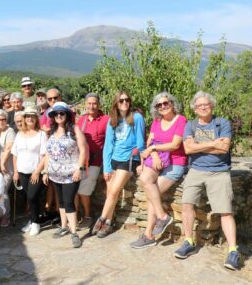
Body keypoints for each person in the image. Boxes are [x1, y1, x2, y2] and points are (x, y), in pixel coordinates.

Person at [174, 91, 239, 270]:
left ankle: (233, 250)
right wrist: (213, 144)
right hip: (196, 170)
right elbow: (187, 149)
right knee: (187, 204)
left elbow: (224, 149)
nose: (203, 107)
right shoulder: (191, 125)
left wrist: (198, 146)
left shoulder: (222, 123)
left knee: (225, 211)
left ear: (212, 106)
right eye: (199, 105)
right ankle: (188, 241)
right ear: (194, 109)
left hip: (219, 172)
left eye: (206, 104)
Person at [130, 92, 187, 248]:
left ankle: (149, 235)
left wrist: (154, 148)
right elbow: (150, 142)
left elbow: (175, 145)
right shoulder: (156, 121)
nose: (163, 106)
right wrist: (154, 154)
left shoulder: (180, 120)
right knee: (145, 180)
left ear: (172, 104)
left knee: (151, 196)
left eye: (165, 103)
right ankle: (162, 217)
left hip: (175, 163)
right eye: (159, 105)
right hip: (158, 160)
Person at [93, 91, 145, 238]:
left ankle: (101, 219)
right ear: (116, 102)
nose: (125, 103)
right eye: (121, 100)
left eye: (127, 100)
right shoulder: (113, 121)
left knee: (114, 190)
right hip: (114, 160)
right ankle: (109, 223)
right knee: (110, 193)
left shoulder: (136, 117)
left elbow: (141, 142)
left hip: (128, 159)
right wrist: (107, 167)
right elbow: (108, 145)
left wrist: (142, 162)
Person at [41, 102, 88, 248]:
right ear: (53, 117)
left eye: (62, 113)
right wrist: (46, 171)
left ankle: (74, 232)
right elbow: (48, 153)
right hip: (55, 174)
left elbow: (83, 149)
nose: (59, 116)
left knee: (68, 202)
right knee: (60, 201)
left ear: (67, 115)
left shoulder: (74, 129)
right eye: (56, 114)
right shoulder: (52, 132)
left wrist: (80, 169)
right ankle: (64, 226)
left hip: (70, 174)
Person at [75, 93, 109, 230]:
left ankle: (88, 216)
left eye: (94, 103)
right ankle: (75, 217)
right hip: (81, 160)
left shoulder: (106, 120)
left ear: (99, 105)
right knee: (73, 189)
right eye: (89, 103)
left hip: (96, 161)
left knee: (84, 190)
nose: (91, 106)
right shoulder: (81, 120)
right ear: (85, 104)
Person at [12, 106, 48, 236]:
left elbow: (45, 155)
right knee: (30, 198)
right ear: (24, 118)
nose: (30, 118)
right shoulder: (20, 134)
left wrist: (37, 171)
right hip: (22, 171)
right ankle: (33, 220)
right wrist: (15, 172)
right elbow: (15, 154)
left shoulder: (42, 134)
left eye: (32, 116)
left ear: (36, 118)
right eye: (27, 116)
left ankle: (36, 223)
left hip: (35, 171)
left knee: (32, 196)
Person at [0, 109, 16, 227]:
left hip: (6, 167)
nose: (1, 121)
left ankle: (5, 215)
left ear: (7, 120)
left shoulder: (10, 131)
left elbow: (8, 148)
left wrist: (2, 164)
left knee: (2, 191)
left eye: (3, 119)